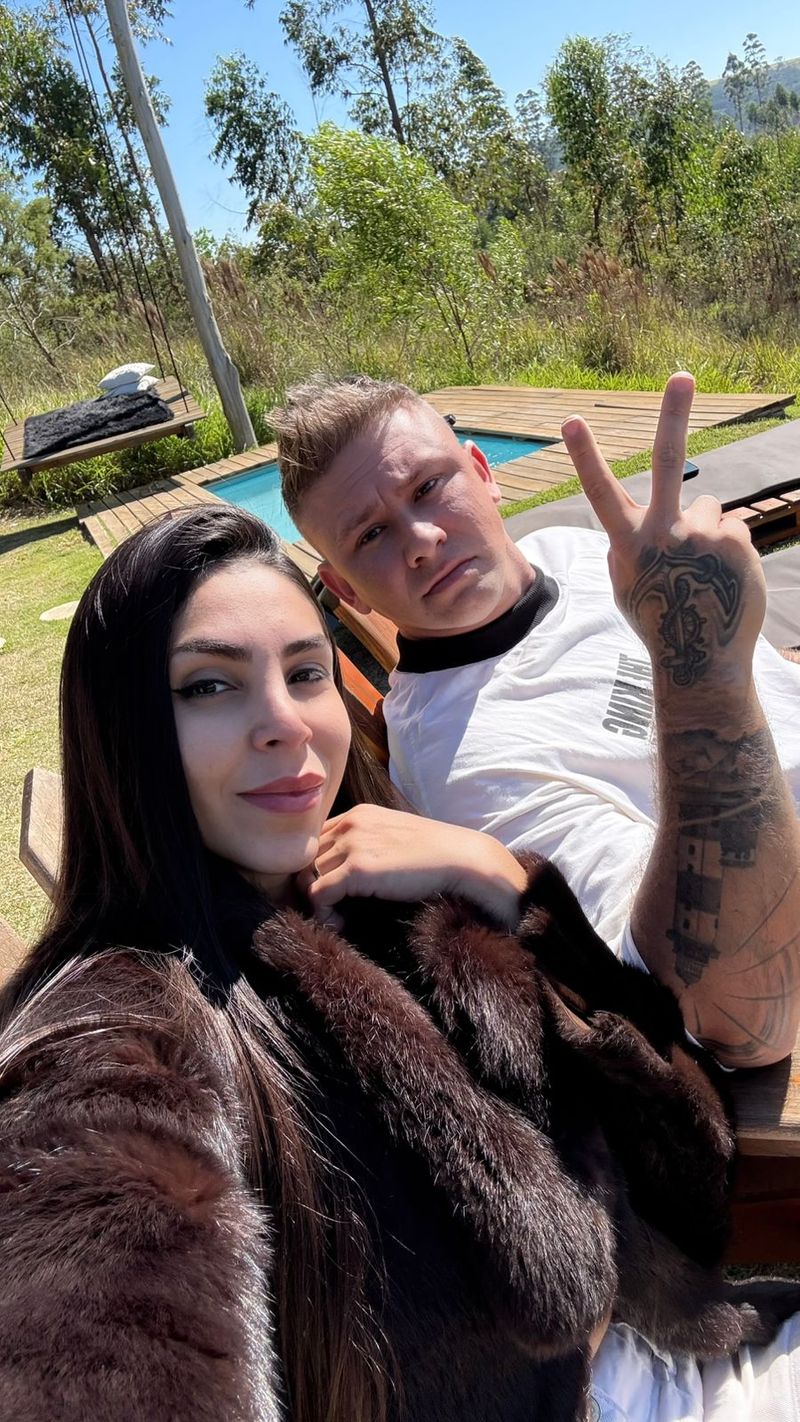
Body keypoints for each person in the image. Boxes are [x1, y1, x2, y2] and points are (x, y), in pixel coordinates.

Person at [2, 503, 799, 1422]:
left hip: (684, 1359)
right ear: (123, 729)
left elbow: (686, 1160)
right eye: (209, 686)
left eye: (306, 672)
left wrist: (515, 890)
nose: (286, 723)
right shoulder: (119, 1047)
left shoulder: (394, 904)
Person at [273, 372, 800, 1069]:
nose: (422, 539)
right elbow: (737, 1018)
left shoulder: (567, 549)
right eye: (371, 534)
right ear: (345, 588)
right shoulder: (464, 766)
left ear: (483, 471)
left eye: (428, 487)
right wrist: (702, 665)